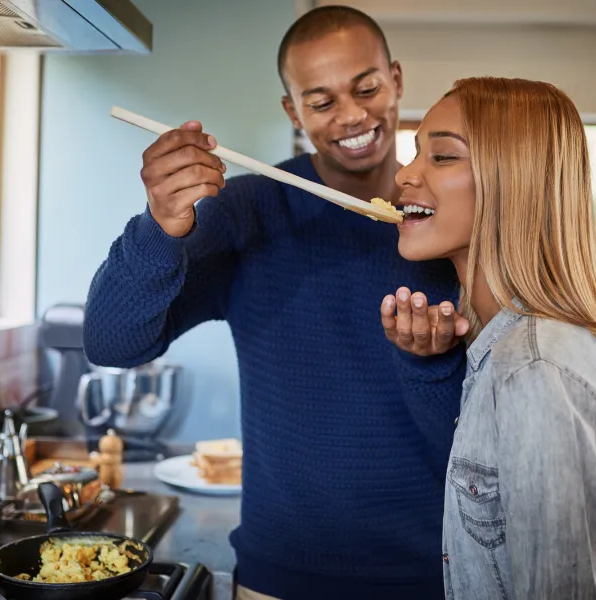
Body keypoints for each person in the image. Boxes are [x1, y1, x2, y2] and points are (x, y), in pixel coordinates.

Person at [84, 6, 469, 600]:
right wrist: (160, 224)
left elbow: (476, 448)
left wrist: (431, 362)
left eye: (366, 87)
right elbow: (110, 343)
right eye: (321, 102)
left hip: (430, 576)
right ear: (292, 110)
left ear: (395, 78)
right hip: (277, 578)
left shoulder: (448, 226)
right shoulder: (250, 211)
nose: (352, 115)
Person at [381, 76, 596, 599]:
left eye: (442, 157)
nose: (405, 174)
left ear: (516, 182)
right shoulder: (498, 349)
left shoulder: (535, 370)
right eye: (416, 151)